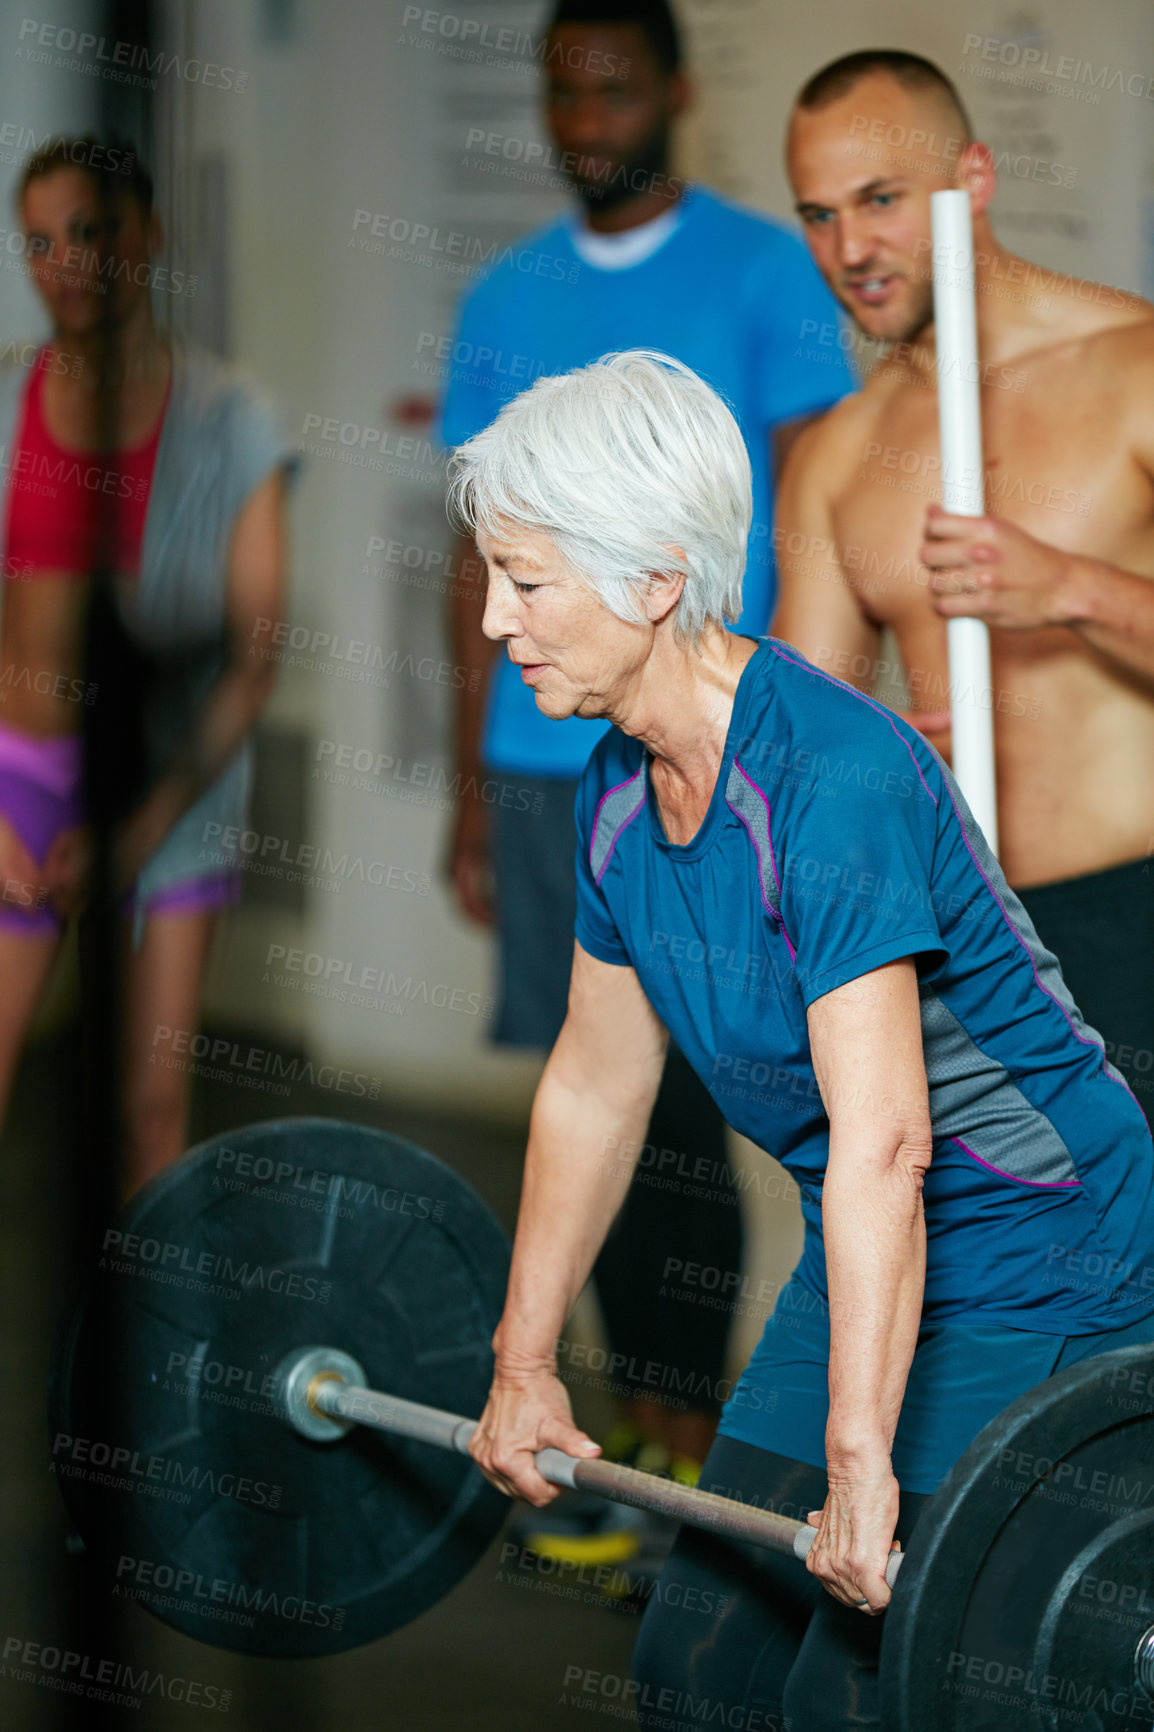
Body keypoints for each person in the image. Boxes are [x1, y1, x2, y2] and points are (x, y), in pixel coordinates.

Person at [447, 349, 1154, 1728]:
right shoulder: (614, 790)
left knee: (860, 1683)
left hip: (1039, 1243)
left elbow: (890, 1141)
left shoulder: (824, 782)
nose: (492, 621)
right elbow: (595, 1087)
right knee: (694, 1667)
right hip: (871, 1239)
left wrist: (859, 1460)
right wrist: (523, 1369)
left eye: (524, 581)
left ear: (653, 580)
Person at [440, 0, 855, 1495]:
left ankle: (699, 1439)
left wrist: (788, 743)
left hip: (707, 758)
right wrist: (470, 789)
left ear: (673, 95)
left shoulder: (759, 271)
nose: (585, 122)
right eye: (563, 95)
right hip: (548, 770)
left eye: (613, 92)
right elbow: (476, 568)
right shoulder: (504, 291)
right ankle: (618, 1428)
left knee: (695, 1109)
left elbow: (813, 517)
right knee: (593, 1089)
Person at [772, 49, 1154, 1125]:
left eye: (880, 201)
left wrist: (1071, 589)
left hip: (1135, 914)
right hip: (961, 939)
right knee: (992, 1290)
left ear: (972, 178)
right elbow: (798, 748)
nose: (850, 250)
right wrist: (883, 764)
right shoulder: (840, 458)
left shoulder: (1133, 366)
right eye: (817, 215)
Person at [0, 136, 297, 1193]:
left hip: (174, 787)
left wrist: (132, 830)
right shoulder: (7, 401)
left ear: (146, 235)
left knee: (149, 1107)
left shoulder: (231, 417)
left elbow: (252, 659)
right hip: (21, 780)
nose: (62, 261)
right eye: (37, 239)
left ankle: (140, 1347)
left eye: (88, 231)